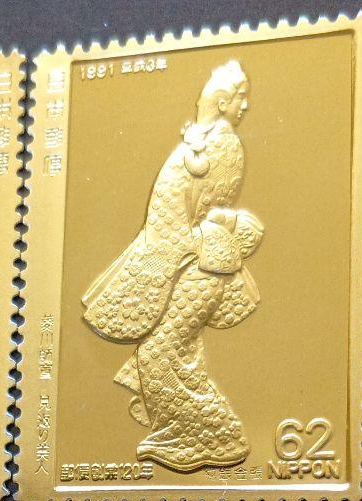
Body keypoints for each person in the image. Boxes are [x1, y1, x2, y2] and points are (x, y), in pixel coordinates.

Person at [82, 61, 264, 472]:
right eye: (240, 97)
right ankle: (182, 429)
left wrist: (181, 244)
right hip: (192, 259)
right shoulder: (212, 144)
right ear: (222, 101)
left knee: (160, 353)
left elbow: (190, 214)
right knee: (177, 352)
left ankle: (215, 434)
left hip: (196, 265)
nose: (246, 105)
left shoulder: (220, 145)